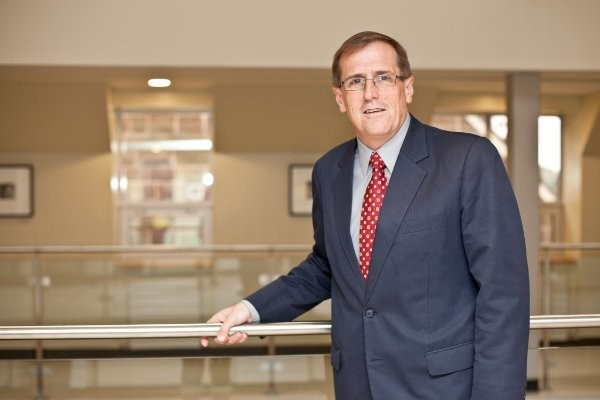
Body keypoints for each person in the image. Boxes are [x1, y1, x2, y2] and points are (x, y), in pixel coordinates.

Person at [201, 31, 530, 400]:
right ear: (340, 98)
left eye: (383, 77)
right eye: (356, 82)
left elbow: (503, 293)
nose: (370, 93)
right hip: (357, 385)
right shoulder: (329, 171)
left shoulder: (467, 160)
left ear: (407, 87)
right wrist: (251, 309)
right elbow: (326, 266)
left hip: (444, 388)